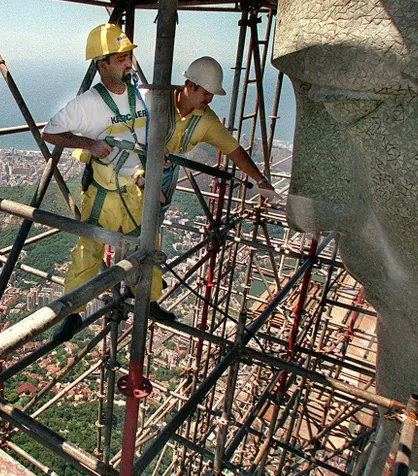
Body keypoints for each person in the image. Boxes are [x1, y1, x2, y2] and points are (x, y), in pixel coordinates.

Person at [42, 23, 174, 343]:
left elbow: (148, 133)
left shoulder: (139, 96)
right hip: (103, 194)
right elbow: (50, 133)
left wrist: (160, 153)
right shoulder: (86, 105)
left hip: (135, 188)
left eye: (129, 56)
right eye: (121, 58)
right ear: (102, 64)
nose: (129, 63)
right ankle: (71, 314)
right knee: (88, 252)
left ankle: (149, 300)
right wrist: (89, 145)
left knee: (146, 247)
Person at [160, 56, 281, 206]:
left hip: (164, 175)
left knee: (154, 216)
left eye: (212, 95)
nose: (209, 99)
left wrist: (260, 181)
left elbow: (234, 150)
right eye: (206, 93)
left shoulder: (206, 120)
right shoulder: (156, 100)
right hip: (133, 166)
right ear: (191, 85)